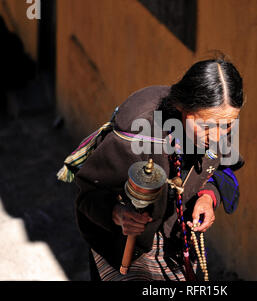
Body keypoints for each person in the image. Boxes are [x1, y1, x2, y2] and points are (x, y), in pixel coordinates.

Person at [73, 58, 245, 281]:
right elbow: (89, 195)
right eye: (206, 126)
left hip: (176, 245)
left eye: (229, 125)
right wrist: (118, 214)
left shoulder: (216, 126)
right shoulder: (136, 137)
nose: (217, 136)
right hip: (125, 247)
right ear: (181, 107)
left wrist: (208, 197)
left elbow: (222, 170)